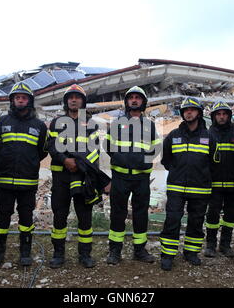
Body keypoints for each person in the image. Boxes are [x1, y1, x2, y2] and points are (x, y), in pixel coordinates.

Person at [47, 84, 109, 269]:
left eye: (77, 97)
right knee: (59, 217)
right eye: (70, 97)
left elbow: (94, 151)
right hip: (61, 178)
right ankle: (58, 254)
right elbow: (52, 146)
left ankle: (85, 255)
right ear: (66, 101)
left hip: (83, 177)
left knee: (85, 217)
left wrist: (78, 164)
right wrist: (66, 161)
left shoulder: (91, 124)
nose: (74, 100)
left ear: (83, 101)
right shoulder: (56, 122)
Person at [0, 82, 48, 268]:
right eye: (17, 97)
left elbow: (42, 151)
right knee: (2, 218)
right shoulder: (2, 121)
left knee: (26, 218)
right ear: (12, 101)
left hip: (27, 182)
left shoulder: (39, 126)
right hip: (4, 180)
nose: (20, 100)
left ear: (29, 101)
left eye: (24, 97)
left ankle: (25, 252)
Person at [104, 86, 161, 265]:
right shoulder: (117, 123)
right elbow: (109, 146)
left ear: (143, 102)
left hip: (141, 179)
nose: (134, 100)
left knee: (141, 214)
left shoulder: (150, 125)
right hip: (120, 177)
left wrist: (145, 162)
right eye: (131, 98)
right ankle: (115, 250)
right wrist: (121, 159)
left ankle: (139, 250)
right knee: (117, 214)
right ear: (127, 102)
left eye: (138, 98)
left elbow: (156, 147)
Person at [160, 97, 216, 270]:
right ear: (183, 114)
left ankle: (191, 252)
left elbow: (214, 163)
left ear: (198, 113)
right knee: (172, 220)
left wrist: (203, 177)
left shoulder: (209, 137)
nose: (189, 112)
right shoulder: (173, 136)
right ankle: (168, 255)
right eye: (185, 110)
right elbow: (166, 160)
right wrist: (177, 173)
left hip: (200, 188)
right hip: (176, 187)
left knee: (196, 221)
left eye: (192, 109)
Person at [204, 101, 234, 258]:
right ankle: (210, 245)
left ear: (229, 116)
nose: (221, 117)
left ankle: (225, 245)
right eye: (218, 114)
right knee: (212, 215)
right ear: (213, 117)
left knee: (231, 216)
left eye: (224, 114)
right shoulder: (207, 134)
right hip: (214, 183)